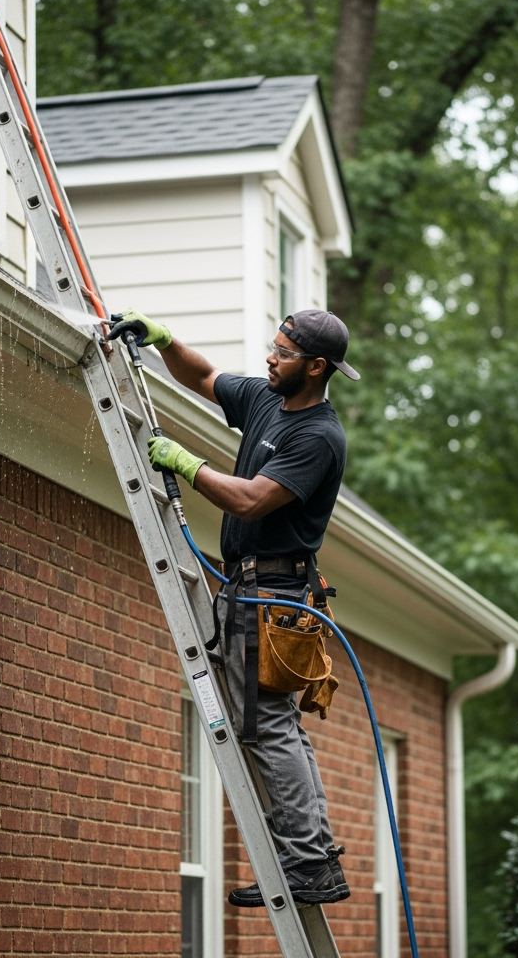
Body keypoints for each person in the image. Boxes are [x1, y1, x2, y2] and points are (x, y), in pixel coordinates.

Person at [107, 306, 359, 908]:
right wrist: (163, 340)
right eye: (273, 347)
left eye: (284, 352)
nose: (270, 358)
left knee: (266, 728)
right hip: (249, 592)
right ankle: (313, 855)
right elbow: (202, 377)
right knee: (277, 728)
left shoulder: (317, 436)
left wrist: (188, 465)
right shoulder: (269, 400)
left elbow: (251, 501)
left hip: (270, 602)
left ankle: (305, 864)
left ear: (316, 367)